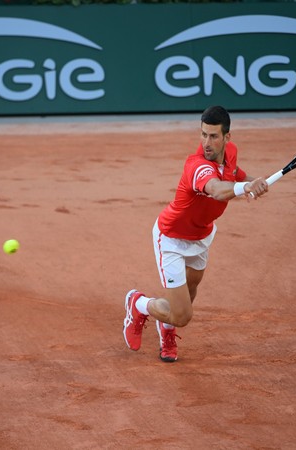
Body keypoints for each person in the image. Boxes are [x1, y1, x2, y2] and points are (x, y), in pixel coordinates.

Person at [123, 106, 269, 362]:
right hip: (171, 239)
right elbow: (215, 189)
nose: (206, 143)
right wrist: (243, 187)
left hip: (202, 237)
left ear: (227, 137)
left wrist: (256, 182)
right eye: (203, 135)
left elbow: (235, 174)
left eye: (213, 136)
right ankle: (138, 304)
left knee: (189, 295)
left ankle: (165, 331)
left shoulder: (231, 154)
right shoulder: (197, 165)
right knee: (183, 315)